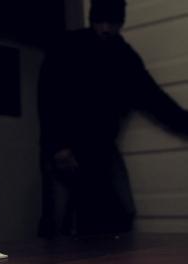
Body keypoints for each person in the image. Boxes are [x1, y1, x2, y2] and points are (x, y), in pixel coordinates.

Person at [37, 0, 188, 238]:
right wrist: (58, 146)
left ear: (121, 23)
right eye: (100, 22)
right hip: (63, 143)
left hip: (100, 146)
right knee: (57, 219)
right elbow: (48, 98)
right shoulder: (68, 45)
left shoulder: (124, 57)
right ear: (92, 19)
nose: (106, 28)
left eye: (113, 23)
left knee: (120, 212)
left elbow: (154, 99)